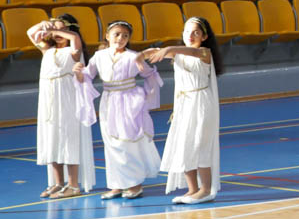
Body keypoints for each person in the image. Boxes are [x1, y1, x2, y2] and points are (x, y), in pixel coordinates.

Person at [147, 17, 222, 205]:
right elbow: (154, 54)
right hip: (184, 103)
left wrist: (169, 49)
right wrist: (142, 55)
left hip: (201, 103)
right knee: (184, 145)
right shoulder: (178, 54)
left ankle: (206, 190)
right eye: (187, 31)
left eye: (196, 32)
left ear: (204, 36)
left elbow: (190, 52)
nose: (190, 35)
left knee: (200, 145)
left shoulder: (204, 52)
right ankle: (192, 189)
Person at [88, 20, 161, 200]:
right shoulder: (99, 56)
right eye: (116, 34)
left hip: (129, 102)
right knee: (111, 143)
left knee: (127, 143)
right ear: (107, 36)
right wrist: (78, 73)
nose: (120, 38)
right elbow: (87, 74)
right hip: (108, 102)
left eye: (125, 36)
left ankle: (135, 184)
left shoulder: (133, 56)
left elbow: (150, 75)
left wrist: (145, 96)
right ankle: (117, 185)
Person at [28, 15, 93, 199]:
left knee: (68, 138)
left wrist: (54, 29)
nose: (57, 34)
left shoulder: (73, 51)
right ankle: (58, 183)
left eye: (62, 30)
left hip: (66, 98)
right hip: (48, 98)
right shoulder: (47, 49)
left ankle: (73, 184)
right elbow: (30, 32)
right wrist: (42, 24)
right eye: (54, 30)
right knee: (52, 137)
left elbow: (75, 38)